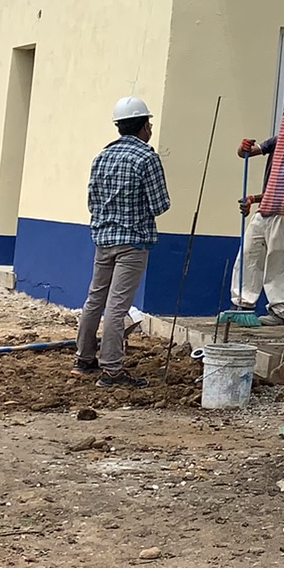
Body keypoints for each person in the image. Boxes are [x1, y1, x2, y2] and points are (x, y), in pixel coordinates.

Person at [77, 96, 171, 387]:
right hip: (133, 243)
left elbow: (92, 200)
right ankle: (112, 370)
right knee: (118, 306)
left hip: (104, 238)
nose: (151, 128)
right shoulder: (147, 158)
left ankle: (84, 358)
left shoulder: (102, 156)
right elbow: (160, 205)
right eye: (150, 123)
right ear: (143, 126)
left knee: (95, 299)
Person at [230, 133, 284, 322]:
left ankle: (278, 311)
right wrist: (243, 148)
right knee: (249, 254)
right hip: (265, 210)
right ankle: (242, 304)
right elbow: (247, 153)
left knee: (280, 261)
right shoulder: (280, 140)